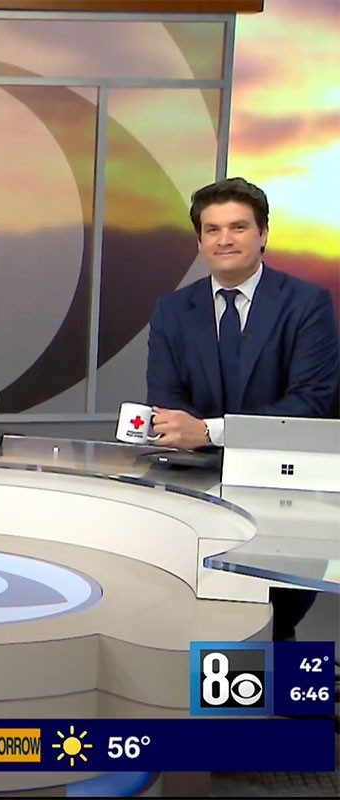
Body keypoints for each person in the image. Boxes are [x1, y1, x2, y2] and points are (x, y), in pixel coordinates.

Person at [146, 177, 339, 640]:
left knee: (276, 622)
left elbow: (310, 404)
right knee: (220, 617)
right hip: (199, 488)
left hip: (285, 488)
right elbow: (168, 404)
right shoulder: (173, 310)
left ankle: (295, 704)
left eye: (238, 227)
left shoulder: (306, 304)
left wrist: (210, 432)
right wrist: (192, 436)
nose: (225, 239)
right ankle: (234, 710)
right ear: (200, 241)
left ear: (263, 234)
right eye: (212, 230)